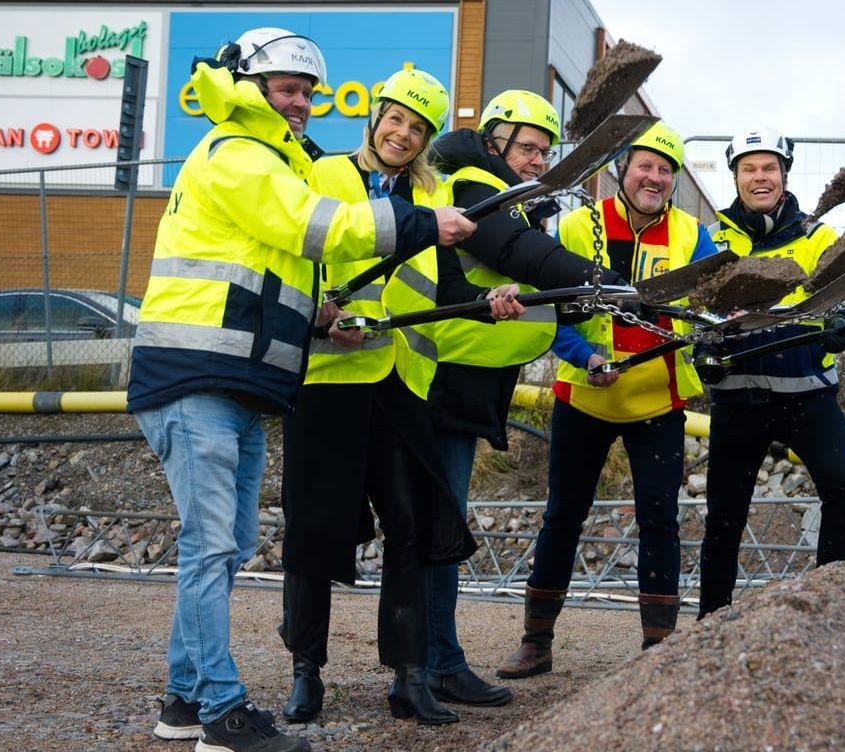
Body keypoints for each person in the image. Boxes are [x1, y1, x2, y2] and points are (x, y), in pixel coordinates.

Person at [128, 29, 472, 752]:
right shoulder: (239, 153)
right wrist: (418, 222)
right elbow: (314, 227)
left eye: (308, 91)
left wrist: (316, 316)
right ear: (247, 85)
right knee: (213, 546)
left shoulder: (273, 159)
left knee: (223, 543)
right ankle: (222, 713)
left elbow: (270, 266)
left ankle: (183, 701)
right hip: (198, 373)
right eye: (287, 87)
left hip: (241, 381)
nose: (301, 103)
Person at [275, 68, 521, 728]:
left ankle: (409, 678)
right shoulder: (319, 174)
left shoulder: (433, 199)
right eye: (395, 120)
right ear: (374, 116)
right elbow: (282, 262)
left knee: (411, 527)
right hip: (327, 380)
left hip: (400, 384)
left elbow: (439, 294)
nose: (401, 134)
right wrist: (314, 314)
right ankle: (306, 674)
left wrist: (486, 306)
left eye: (416, 129)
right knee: (314, 530)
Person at [421, 90, 624, 704]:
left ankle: (428, 660)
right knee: (439, 527)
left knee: (438, 524)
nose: (537, 160)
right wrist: (593, 279)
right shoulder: (473, 187)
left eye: (543, 150)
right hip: (440, 381)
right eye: (527, 148)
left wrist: (586, 307)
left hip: (466, 384)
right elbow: (517, 254)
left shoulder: (510, 196)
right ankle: (437, 663)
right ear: (493, 142)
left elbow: (533, 281)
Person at [497, 122, 717, 679]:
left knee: (660, 521)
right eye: (646, 165)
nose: (656, 177)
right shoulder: (577, 226)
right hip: (585, 396)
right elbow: (553, 310)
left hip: (656, 401)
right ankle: (536, 641)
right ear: (622, 169)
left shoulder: (693, 236)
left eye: (666, 170)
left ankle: (657, 650)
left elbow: (714, 301)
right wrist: (585, 356)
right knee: (562, 516)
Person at [695, 128, 845, 620]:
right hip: (739, 397)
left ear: (784, 174)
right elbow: (696, 303)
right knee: (725, 516)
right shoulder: (713, 236)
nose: (759, 177)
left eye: (768, 167)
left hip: (807, 393)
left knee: (843, 489)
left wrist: (844, 320)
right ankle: (710, 622)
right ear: (735, 177)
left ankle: (829, 610)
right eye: (748, 168)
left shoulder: (818, 237)